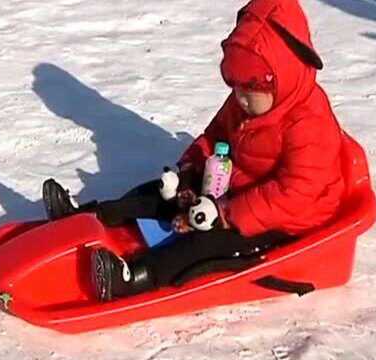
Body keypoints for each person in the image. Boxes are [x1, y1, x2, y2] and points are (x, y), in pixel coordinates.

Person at [43, 0, 345, 302]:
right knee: (161, 195)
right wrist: (188, 171)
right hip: (231, 190)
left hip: (282, 221)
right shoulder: (245, 106)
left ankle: (134, 277)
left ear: (281, 78)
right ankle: (93, 216)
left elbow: (297, 192)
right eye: (235, 86)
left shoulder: (309, 124)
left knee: (207, 244)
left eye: (249, 88)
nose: (240, 98)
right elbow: (214, 137)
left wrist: (227, 213)